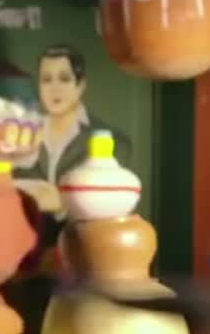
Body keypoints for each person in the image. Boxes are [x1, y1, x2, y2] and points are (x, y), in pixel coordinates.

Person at [15, 44, 133, 212]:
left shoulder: (116, 143)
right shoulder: (21, 135)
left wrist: (60, 202)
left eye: (64, 79)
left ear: (80, 86)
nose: (54, 89)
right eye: (47, 80)